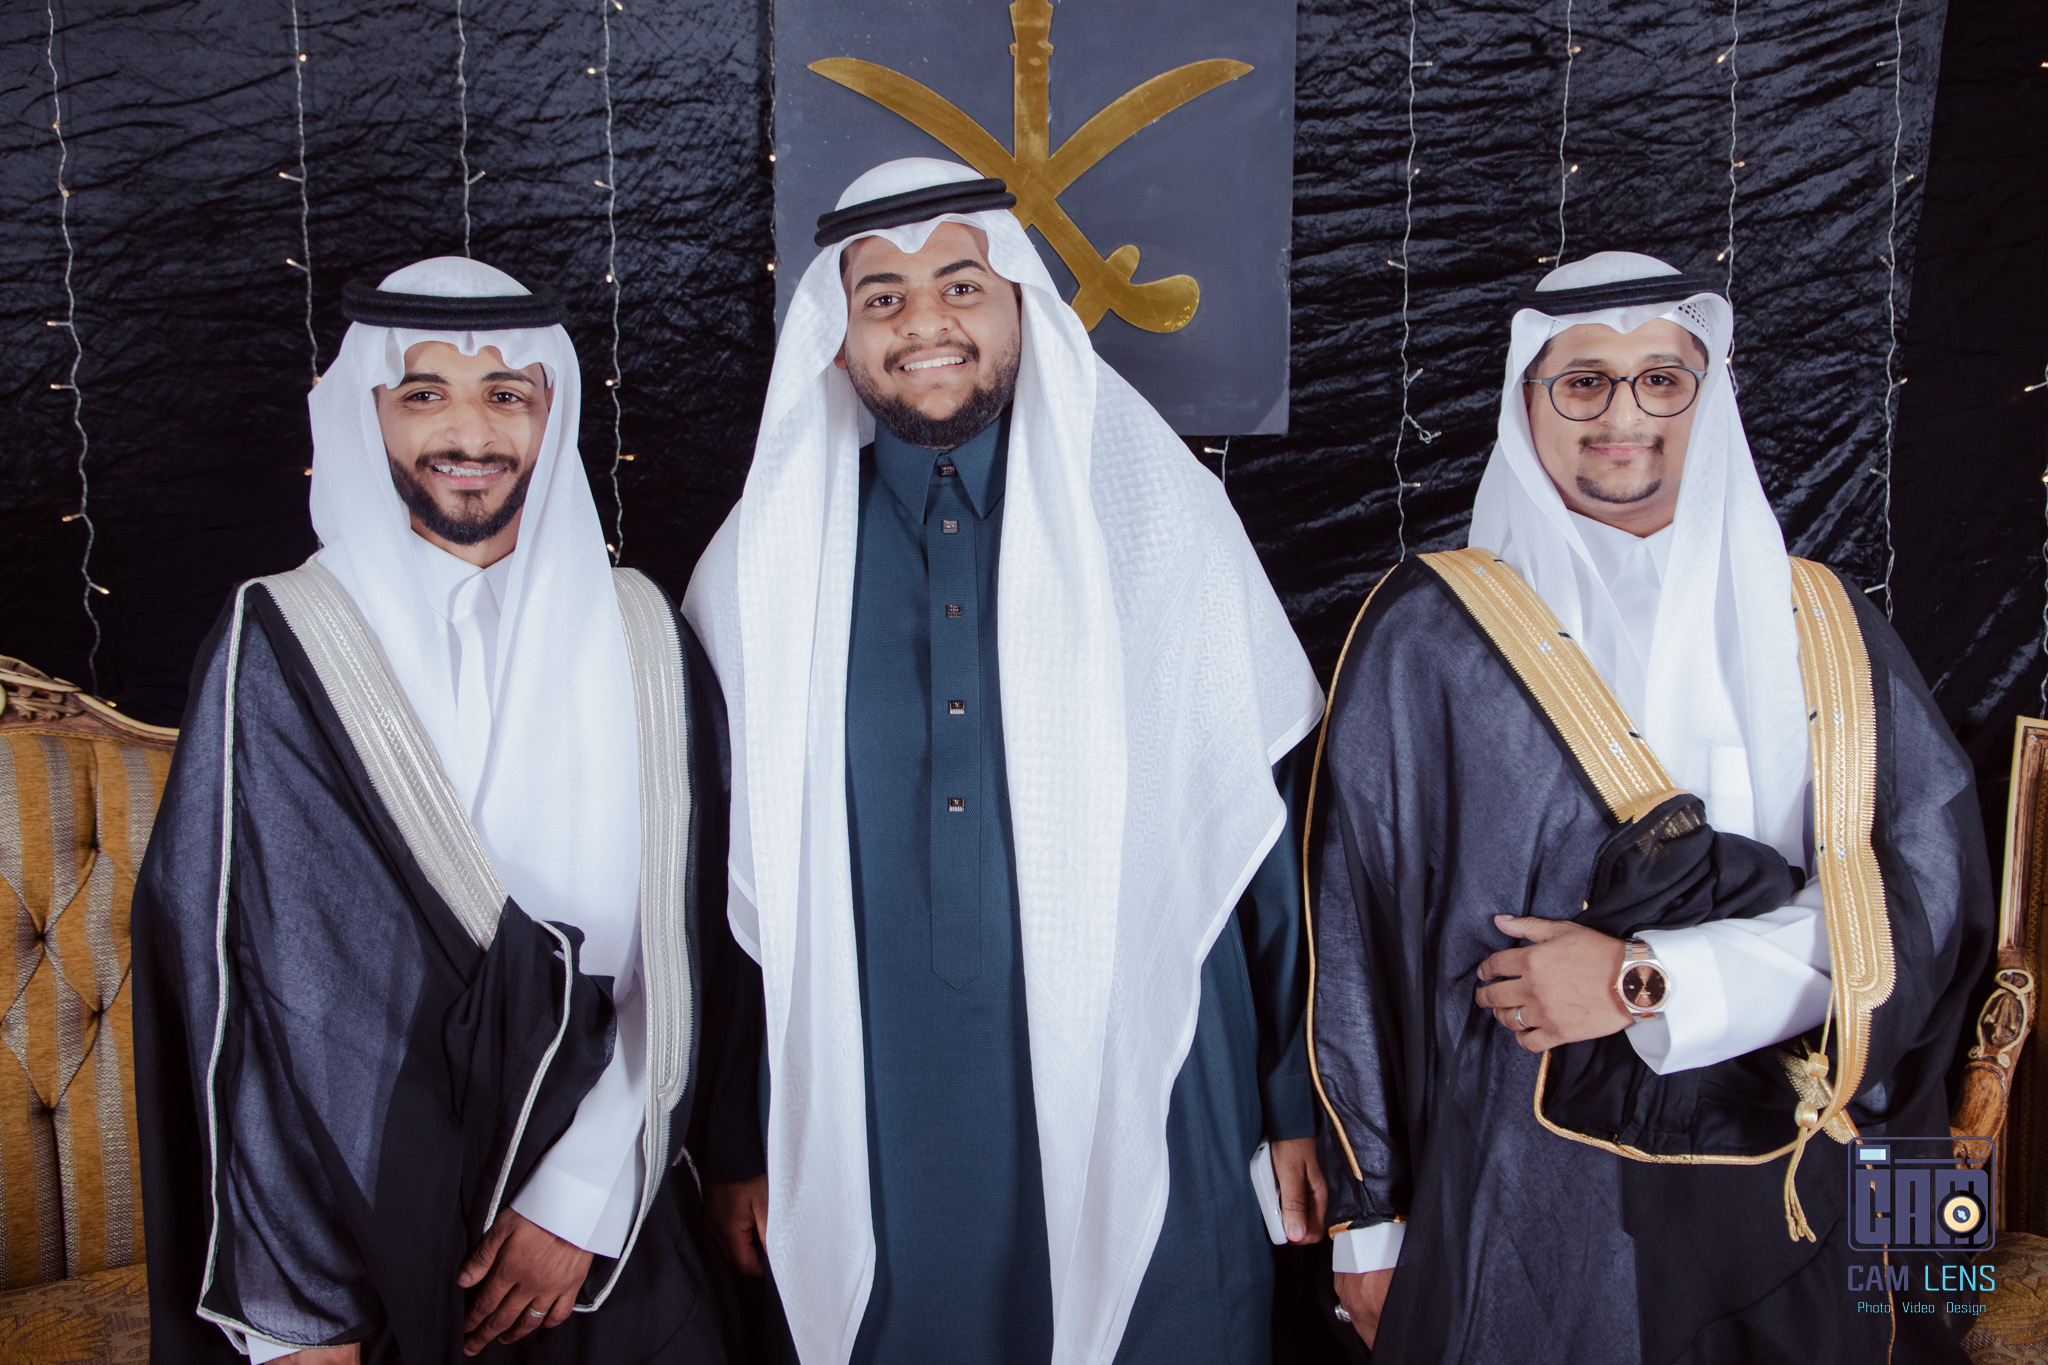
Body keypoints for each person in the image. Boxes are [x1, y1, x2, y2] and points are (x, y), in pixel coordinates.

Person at [682, 159, 1328, 1365]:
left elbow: (1259, 838)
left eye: (960, 285)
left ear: (1020, 308)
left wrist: (1296, 1103)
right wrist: (734, 1139)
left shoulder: (1159, 525)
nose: (923, 321)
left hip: (1154, 1069)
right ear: (837, 342)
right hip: (869, 1103)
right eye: (881, 297)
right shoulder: (761, 567)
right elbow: (724, 900)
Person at [1309, 252, 1993, 1363]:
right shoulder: (1430, 631)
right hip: (1526, 1189)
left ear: (1703, 398)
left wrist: (1645, 981)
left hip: (1799, 1167)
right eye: (1583, 381)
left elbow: (1925, 910)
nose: (1623, 415)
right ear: (1526, 402)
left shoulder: (1822, 621)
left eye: (1660, 380)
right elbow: (1352, 933)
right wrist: (1367, 1222)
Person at [134, 258, 731, 1363]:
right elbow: (245, 990)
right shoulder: (287, 637)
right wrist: (297, 1312)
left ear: (550, 412)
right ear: (370, 413)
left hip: (596, 1202)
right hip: (359, 1201)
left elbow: (684, 950)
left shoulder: (643, 635)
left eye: (505, 393)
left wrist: (578, 1201)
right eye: (424, 394)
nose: (469, 432)